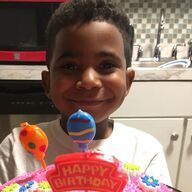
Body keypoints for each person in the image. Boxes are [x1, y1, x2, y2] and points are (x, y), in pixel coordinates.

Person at [0, 0, 172, 186]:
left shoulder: (145, 151)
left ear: (128, 81)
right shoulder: (18, 147)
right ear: (48, 83)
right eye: (70, 66)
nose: (89, 81)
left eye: (106, 65)